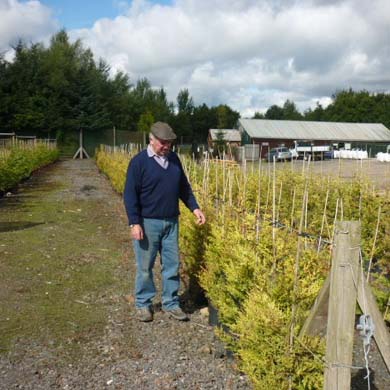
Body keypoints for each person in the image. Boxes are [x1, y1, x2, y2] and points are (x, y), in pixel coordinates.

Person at [124, 122, 206, 322]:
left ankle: (171, 303)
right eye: (163, 143)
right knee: (145, 266)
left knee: (172, 265)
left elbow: (184, 189)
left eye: (169, 143)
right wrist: (134, 223)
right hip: (148, 223)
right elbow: (130, 195)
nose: (166, 147)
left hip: (171, 222)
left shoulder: (174, 160)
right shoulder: (139, 162)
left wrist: (195, 208)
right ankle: (143, 303)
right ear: (151, 140)